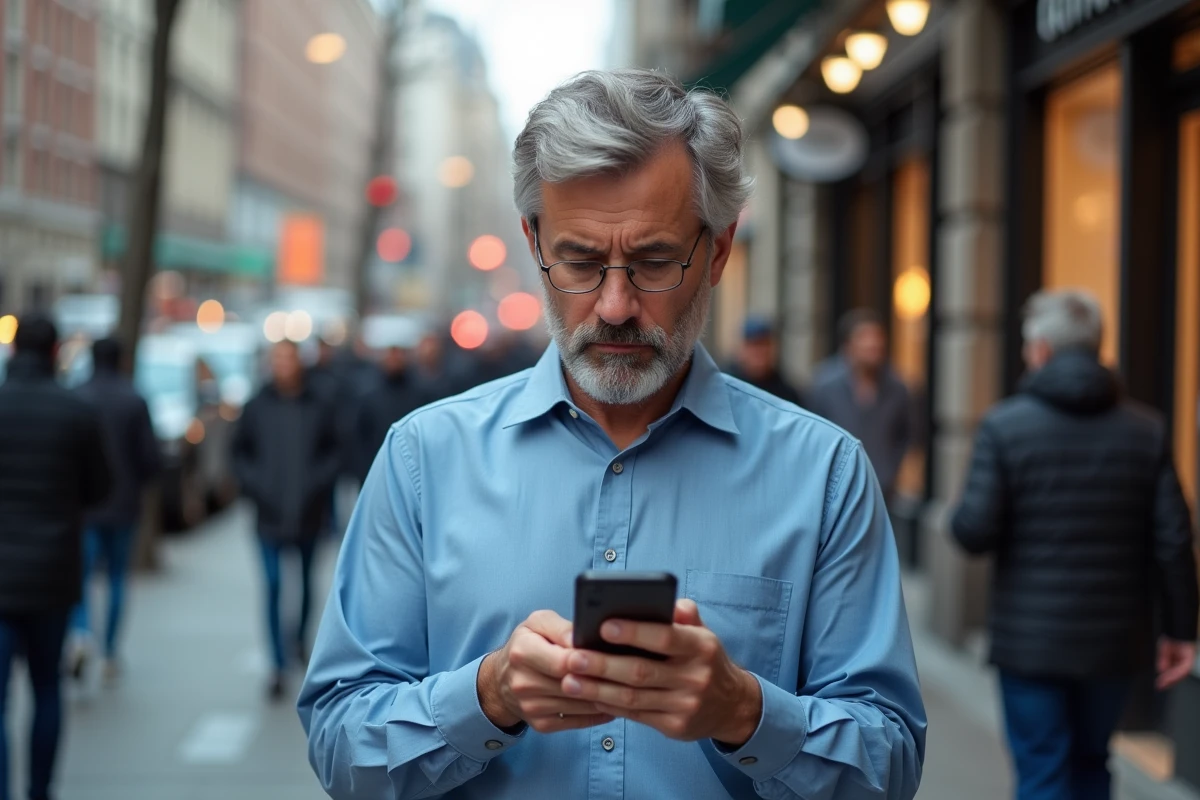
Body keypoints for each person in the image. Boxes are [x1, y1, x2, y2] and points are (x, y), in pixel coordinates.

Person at [299, 69, 925, 800]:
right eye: (581, 262)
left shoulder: (824, 474)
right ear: (534, 243)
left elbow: (889, 766)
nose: (617, 304)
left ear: (718, 251)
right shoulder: (421, 462)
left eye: (655, 262)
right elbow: (342, 748)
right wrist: (487, 695)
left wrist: (745, 710)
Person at [951, 290, 1199, 800]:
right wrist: (1180, 630)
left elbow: (972, 532)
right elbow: (1174, 538)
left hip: (1031, 644)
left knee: (1043, 772)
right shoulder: (1146, 430)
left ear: (1040, 349)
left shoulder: (1005, 426)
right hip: (1114, 644)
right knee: (1092, 764)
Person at [0, 316, 111, 800]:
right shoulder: (76, 411)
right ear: (54, 352)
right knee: (48, 688)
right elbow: (100, 487)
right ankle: (40, 791)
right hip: (53, 573)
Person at [232, 340, 340, 701]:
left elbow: (333, 450)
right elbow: (239, 452)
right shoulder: (256, 406)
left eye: (288, 358)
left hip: (308, 512)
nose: (282, 365)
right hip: (268, 513)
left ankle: (298, 641)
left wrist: (317, 484)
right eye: (276, 358)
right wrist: (255, 484)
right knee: (274, 584)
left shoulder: (320, 404)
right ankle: (277, 664)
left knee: (307, 582)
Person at [68, 337, 161, 684]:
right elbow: (150, 458)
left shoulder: (77, 396)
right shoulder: (133, 399)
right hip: (123, 503)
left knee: (82, 576)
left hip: (84, 507)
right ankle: (109, 651)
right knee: (118, 577)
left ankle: (80, 634)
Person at [807, 309, 912, 502]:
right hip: (835, 494)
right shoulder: (824, 385)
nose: (873, 344)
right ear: (847, 346)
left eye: (878, 338)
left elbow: (903, 437)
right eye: (865, 338)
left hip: (882, 492)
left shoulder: (897, 388)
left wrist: (890, 472)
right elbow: (813, 437)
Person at [353, 343, 428, 483]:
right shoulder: (369, 395)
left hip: (413, 473)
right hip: (376, 471)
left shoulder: (420, 393)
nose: (394, 358)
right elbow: (359, 439)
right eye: (391, 353)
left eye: (398, 353)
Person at [727, 317, 803, 406]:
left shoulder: (786, 392)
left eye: (765, 344)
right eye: (754, 345)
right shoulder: (728, 385)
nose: (760, 351)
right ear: (741, 348)